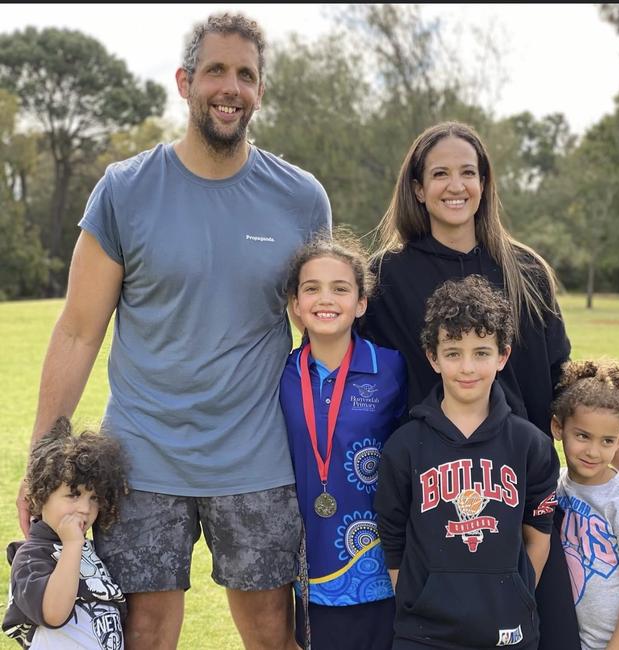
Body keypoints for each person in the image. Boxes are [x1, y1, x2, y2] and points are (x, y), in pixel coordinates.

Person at [15, 12, 331, 650]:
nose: (230, 87)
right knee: (145, 633)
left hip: (259, 458)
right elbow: (79, 331)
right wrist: (43, 458)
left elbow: (327, 328)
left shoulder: (301, 199)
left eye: (246, 74)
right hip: (142, 458)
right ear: (185, 81)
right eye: (215, 69)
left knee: (273, 631)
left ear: (260, 91)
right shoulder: (124, 191)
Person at [361, 120, 619, 650]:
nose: (455, 185)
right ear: (418, 189)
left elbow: (566, 386)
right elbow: (357, 373)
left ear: (486, 183)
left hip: (526, 490)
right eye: (440, 173)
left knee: (551, 632)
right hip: (439, 495)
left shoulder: (525, 272)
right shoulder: (387, 278)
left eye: (468, 172)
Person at [375, 275, 560, 650]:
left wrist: (519, 594)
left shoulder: (530, 445)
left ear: (502, 356)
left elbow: (539, 532)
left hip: (508, 627)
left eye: (481, 352)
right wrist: (417, 597)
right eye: (453, 352)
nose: (467, 368)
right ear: (433, 358)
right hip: (424, 632)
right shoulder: (405, 446)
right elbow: (392, 537)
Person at [279, 231, 407, 650]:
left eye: (340, 289)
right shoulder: (281, 374)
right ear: (296, 305)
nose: (325, 299)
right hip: (308, 564)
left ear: (361, 302)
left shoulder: (391, 369)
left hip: (382, 564)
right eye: (311, 289)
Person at [4, 417, 128, 649]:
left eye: (94, 498)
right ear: (40, 496)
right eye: (73, 494)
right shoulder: (31, 557)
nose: (85, 508)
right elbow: (53, 613)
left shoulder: (87, 549)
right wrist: (71, 546)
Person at [551, 359, 619, 650]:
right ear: (558, 428)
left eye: (607, 441)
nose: (593, 451)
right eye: (583, 436)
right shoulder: (557, 487)